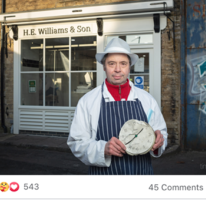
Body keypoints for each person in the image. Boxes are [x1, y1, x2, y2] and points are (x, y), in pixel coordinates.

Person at [67, 38, 167, 174]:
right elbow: (77, 142)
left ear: (129, 66)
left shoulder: (147, 99)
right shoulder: (88, 101)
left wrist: (158, 142)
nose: (118, 69)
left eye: (123, 64)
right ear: (104, 66)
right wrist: (102, 149)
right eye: (111, 63)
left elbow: (162, 133)